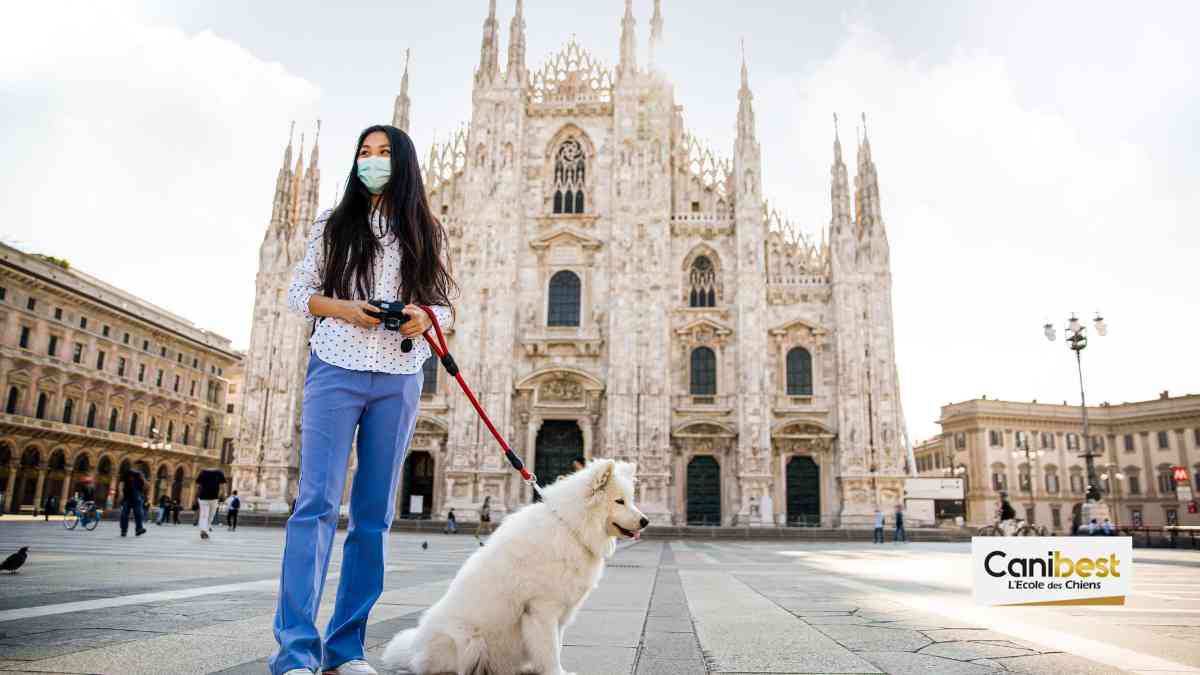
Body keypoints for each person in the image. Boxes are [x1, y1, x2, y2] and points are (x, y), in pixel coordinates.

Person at [270, 124, 457, 675]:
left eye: (383, 154)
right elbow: (296, 294)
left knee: (373, 517)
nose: (372, 162)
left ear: (404, 164)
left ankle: (345, 650)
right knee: (316, 507)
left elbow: (446, 305)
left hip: (399, 374)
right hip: (335, 369)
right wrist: (348, 309)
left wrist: (427, 316)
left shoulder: (426, 229)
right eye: (365, 153)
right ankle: (295, 655)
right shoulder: (334, 225)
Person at [194, 467, 226, 541]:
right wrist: (223, 494)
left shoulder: (203, 472)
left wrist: (196, 495)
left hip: (203, 497)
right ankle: (204, 531)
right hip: (213, 497)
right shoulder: (219, 472)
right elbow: (223, 485)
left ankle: (204, 530)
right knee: (210, 516)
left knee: (204, 515)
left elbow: (198, 485)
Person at [118, 467, 147, 537]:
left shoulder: (130, 473)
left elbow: (121, 484)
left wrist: (121, 494)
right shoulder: (135, 474)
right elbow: (145, 486)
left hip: (131, 497)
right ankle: (137, 529)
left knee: (127, 513)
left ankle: (125, 530)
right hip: (133, 497)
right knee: (137, 513)